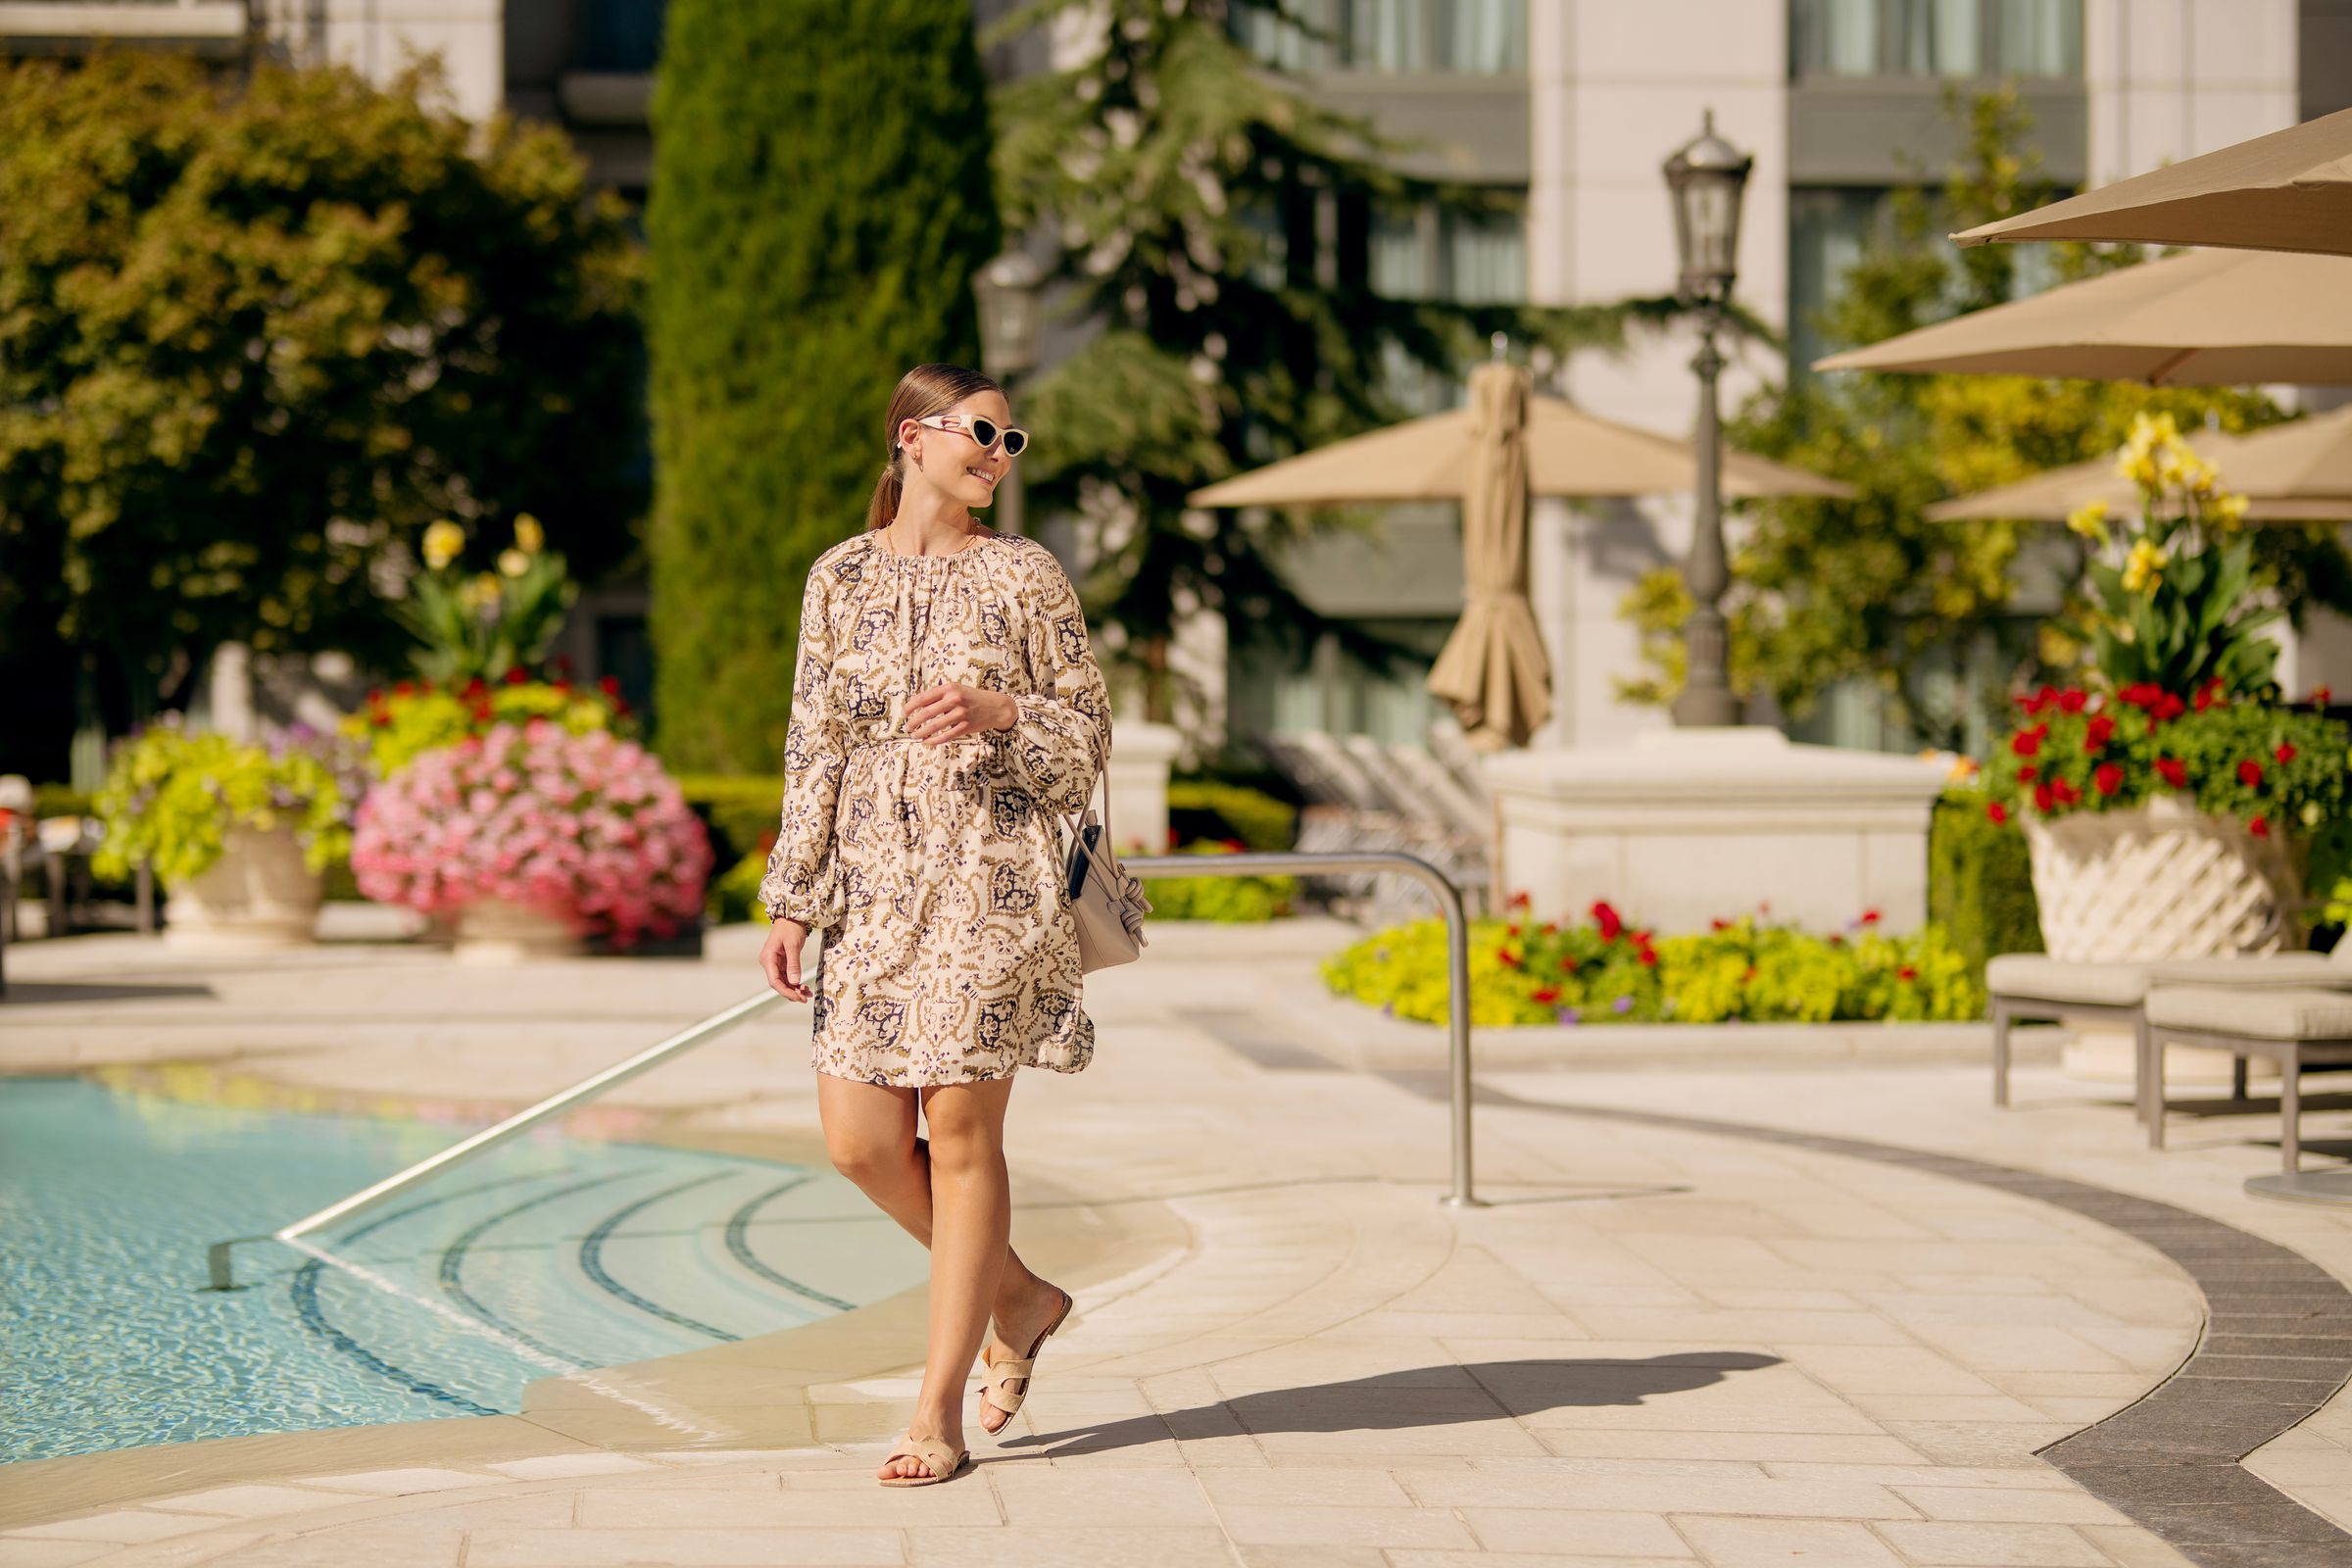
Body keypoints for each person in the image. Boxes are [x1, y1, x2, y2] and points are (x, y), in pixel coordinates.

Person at [756, 363, 1109, 1487]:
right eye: (986, 435)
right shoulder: (837, 579)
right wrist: (792, 893)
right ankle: (1024, 1298)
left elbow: (1089, 733)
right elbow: (814, 741)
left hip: (987, 889)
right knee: (859, 1144)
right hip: (870, 896)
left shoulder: (1026, 575)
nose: (1002, 457)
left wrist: (1003, 711)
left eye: (1015, 441)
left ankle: (936, 1409)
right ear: (914, 437)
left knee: (962, 1144)